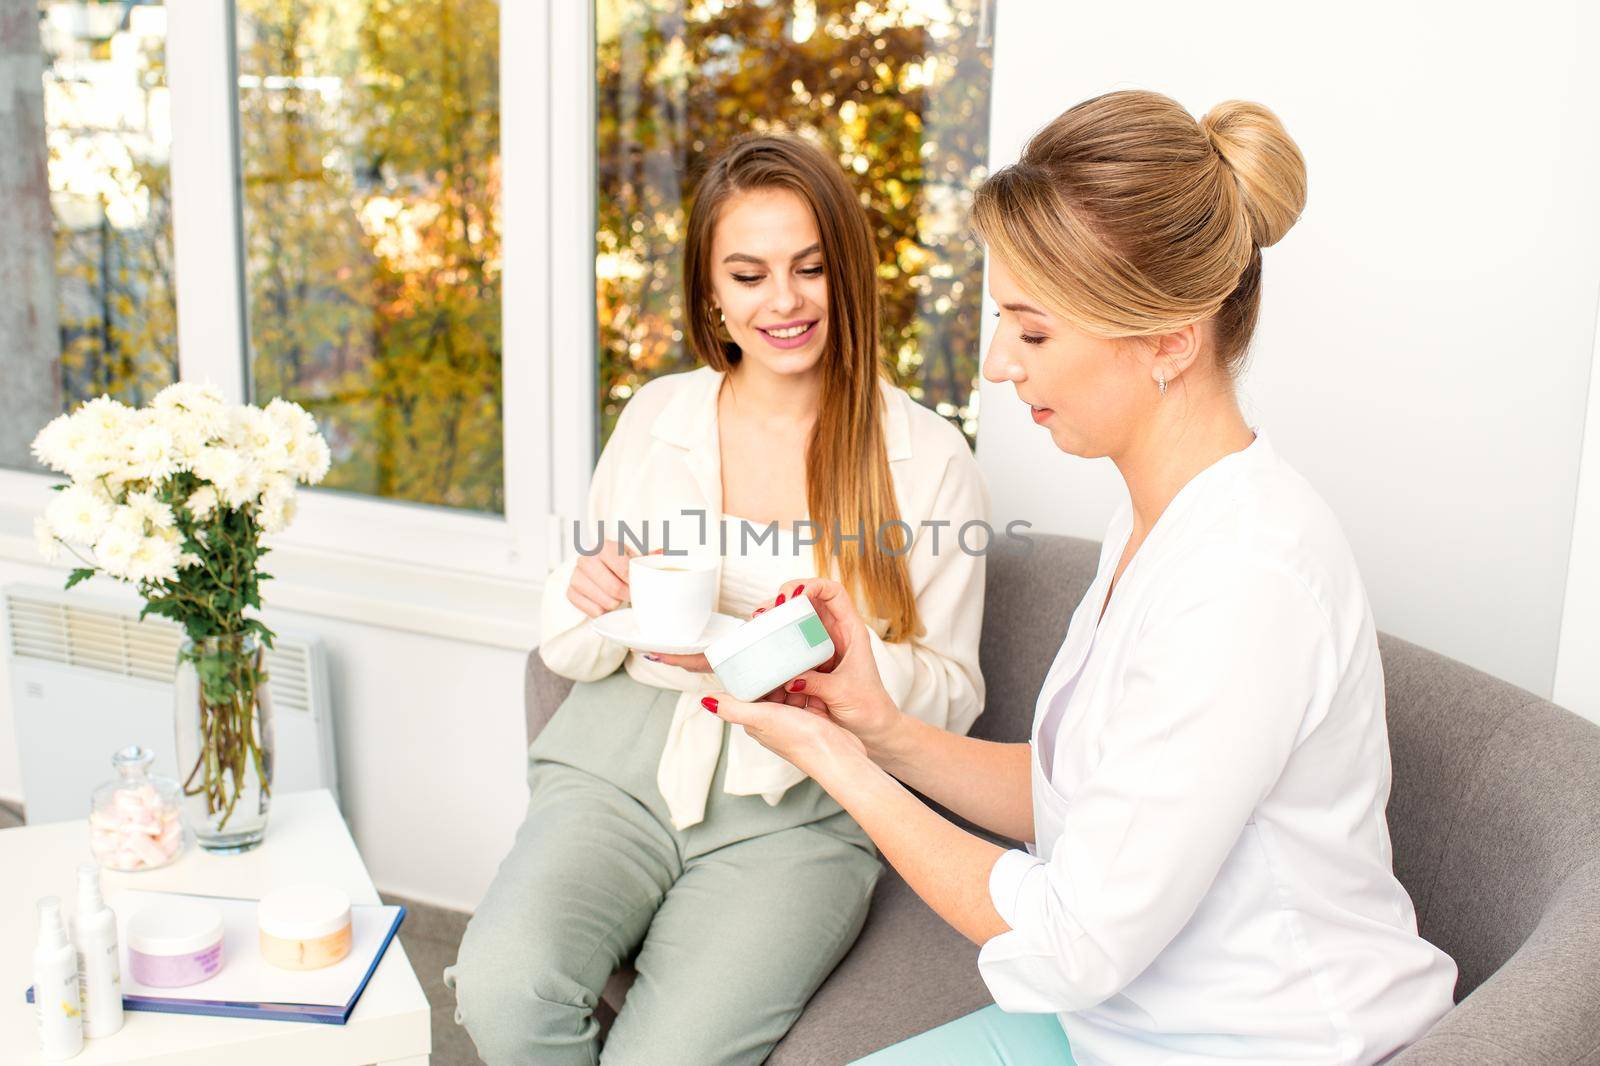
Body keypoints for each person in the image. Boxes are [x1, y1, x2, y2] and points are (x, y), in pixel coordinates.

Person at [707, 91, 1459, 1065]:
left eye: (1031, 331)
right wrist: (874, 726)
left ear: (1168, 339)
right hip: (1118, 1031)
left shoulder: (1247, 581)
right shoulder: (1159, 521)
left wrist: (839, 768)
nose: (995, 366)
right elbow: (1077, 798)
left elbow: (1072, 942)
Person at [447, 133, 989, 1066]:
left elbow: (953, 697)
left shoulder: (929, 457)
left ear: (846, 275)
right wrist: (585, 592)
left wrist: (792, 654)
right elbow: (579, 646)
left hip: (803, 808)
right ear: (712, 294)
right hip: (616, 767)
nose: (783, 301)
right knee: (502, 989)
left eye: (810, 268)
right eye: (749, 274)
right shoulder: (658, 416)